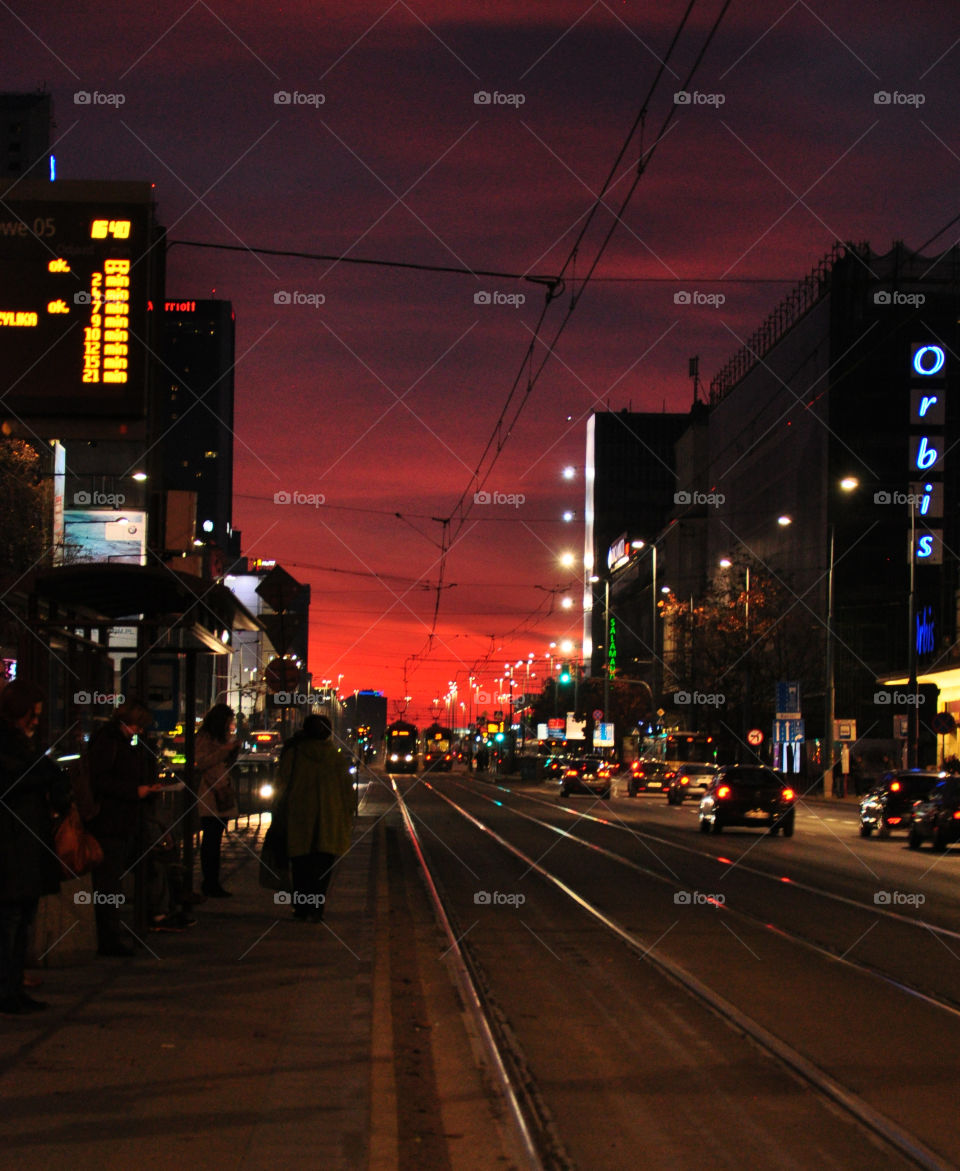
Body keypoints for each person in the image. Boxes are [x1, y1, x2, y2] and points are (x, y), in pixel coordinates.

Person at [0, 680, 70, 1013]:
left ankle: (12, 988)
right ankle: (8, 990)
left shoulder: (21, 745)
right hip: (13, 845)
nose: (36, 721)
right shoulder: (11, 745)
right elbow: (18, 779)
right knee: (12, 922)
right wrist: (47, 777)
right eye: (33, 714)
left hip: (20, 843)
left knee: (19, 920)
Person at [87, 698, 158, 957]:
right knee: (108, 882)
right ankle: (108, 937)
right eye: (138, 726)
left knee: (117, 878)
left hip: (122, 820)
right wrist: (134, 790)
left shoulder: (122, 741)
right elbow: (101, 780)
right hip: (110, 821)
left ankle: (115, 930)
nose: (139, 732)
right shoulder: (109, 742)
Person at [278, 715, 355, 922]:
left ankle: (301, 907)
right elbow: (347, 792)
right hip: (329, 822)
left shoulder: (294, 754)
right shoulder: (336, 757)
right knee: (322, 868)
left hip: (299, 819)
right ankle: (316, 907)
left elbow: (282, 785)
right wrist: (347, 817)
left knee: (300, 866)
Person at [194, 704, 239, 898]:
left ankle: (212, 881)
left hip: (222, 791)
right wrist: (225, 749)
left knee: (215, 839)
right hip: (211, 793)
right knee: (211, 841)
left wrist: (231, 750)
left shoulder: (221, 738)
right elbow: (203, 762)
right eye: (229, 721)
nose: (231, 725)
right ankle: (210, 882)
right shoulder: (205, 737)